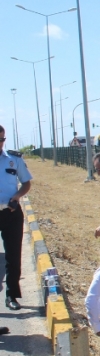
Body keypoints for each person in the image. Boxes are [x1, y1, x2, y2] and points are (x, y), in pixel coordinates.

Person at [0, 126, 32, 311]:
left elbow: (26, 182)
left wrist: (17, 196)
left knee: (13, 255)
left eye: (1, 139)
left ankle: (12, 296)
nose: (0, 143)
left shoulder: (14, 159)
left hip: (11, 212)